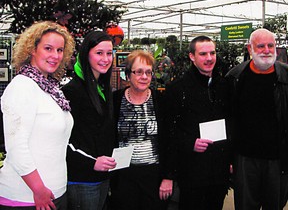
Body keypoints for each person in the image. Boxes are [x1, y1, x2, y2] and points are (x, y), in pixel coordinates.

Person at [0, 21, 75, 209]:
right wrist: (38, 189)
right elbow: (16, 147)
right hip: (27, 197)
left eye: (59, 50)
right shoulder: (22, 87)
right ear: (32, 49)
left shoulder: (50, 88)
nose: (55, 56)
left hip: (53, 192)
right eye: (48, 48)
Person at [164, 36, 231, 210]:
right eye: (203, 54)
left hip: (219, 171)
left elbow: (231, 123)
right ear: (192, 57)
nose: (209, 58)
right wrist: (189, 143)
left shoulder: (224, 86)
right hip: (191, 172)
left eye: (212, 53)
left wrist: (231, 160)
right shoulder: (177, 89)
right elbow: (168, 130)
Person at [225, 28, 288, 209]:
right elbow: (229, 117)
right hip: (245, 159)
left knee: (274, 204)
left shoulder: (285, 76)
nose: (267, 50)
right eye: (260, 46)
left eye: (271, 45)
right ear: (249, 48)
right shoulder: (235, 77)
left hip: (278, 160)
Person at [111, 50, 173, 210]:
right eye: (138, 72)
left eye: (148, 72)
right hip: (123, 175)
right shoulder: (115, 100)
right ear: (128, 75)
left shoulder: (162, 102)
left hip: (154, 176)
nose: (144, 77)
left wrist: (168, 177)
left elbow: (170, 142)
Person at [62, 30, 117, 210]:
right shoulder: (72, 91)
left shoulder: (103, 88)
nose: (106, 59)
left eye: (109, 53)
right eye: (99, 53)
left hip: (102, 176)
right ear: (86, 54)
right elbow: (64, 140)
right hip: (82, 179)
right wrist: (91, 162)